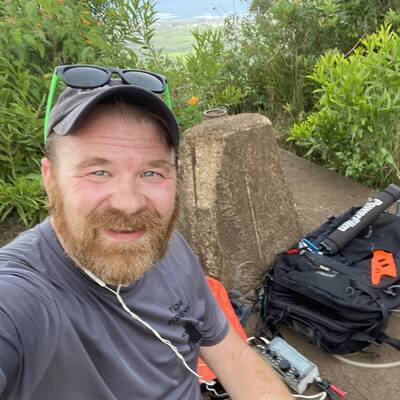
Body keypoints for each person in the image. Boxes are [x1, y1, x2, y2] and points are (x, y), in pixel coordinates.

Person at [0, 65, 292, 400]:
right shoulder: (20, 294)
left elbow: (234, 358)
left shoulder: (169, 248)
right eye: (98, 171)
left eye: (152, 173)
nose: (128, 204)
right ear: (50, 179)